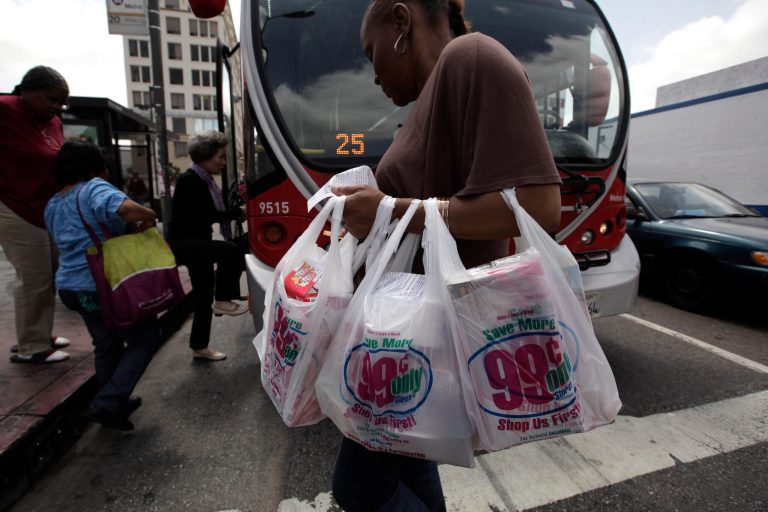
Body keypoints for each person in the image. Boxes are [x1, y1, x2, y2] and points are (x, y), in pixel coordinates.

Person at [330, 1, 563, 510]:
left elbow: (540, 205)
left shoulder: (471, 57)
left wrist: (391, 209)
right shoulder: (431, 98)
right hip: (407, 338)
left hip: (421, 335)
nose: (373, 75)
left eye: (371, 54)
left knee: (358, 487)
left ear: (401, 22)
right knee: (409, 463)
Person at [45, 142, 160, 430]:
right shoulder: (93, 188)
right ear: (94, 167)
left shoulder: (53, 203)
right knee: (144, 338)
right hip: (103, 283)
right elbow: (124, 210)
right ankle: (109, 401)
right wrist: (149, 216)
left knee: (106, 344)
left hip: (72, 288)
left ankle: (114, 402)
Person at [1, 65, 71, 364]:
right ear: (27, 91)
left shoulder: (53, 121)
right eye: (51, 99)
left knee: (52, 270)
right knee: (34, 276)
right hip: (13, 203)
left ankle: (41, 332)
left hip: (45, 206)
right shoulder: (5, 109)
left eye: (61, 102)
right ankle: (31, 345)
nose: (56, 107)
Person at [166, 131, 247, 361]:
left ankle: (199, 346)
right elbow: (207, 215)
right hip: (185, 243)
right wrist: (238, 212)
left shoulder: (203, 179)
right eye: (220, 157)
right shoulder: (190, 180)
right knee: (230, 250)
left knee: (203, 295)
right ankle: (223, 299)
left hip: (196, 241)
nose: (223, 162)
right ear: (205, 156)